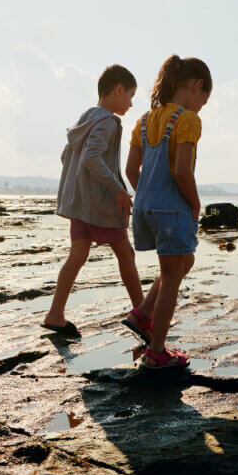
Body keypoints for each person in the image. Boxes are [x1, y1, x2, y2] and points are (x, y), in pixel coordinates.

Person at [125, 55, 211, 369]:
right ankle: (157, 351)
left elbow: (131, 169)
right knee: (173, 277)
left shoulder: (145, 120)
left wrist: (147, 195)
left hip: (145, 208)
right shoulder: (188, 119)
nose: (202, 106)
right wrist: (196, 203)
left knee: (183, 261)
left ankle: (143, 312)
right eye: (204, 99)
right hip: (173, 210)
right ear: (197, 86)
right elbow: (182, 171)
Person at [45, 65, 143, 336]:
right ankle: (143, 313)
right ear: (118, 90)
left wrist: (79, 188)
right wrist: (116, 190)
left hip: (79, 205)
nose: (131, 103)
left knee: (77, 256)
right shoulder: (108, 121)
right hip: (99, 205)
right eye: (130, 96)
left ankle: (55, 314)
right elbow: (91, 156)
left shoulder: (84, 118)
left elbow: (67, 157)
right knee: (126, 253)